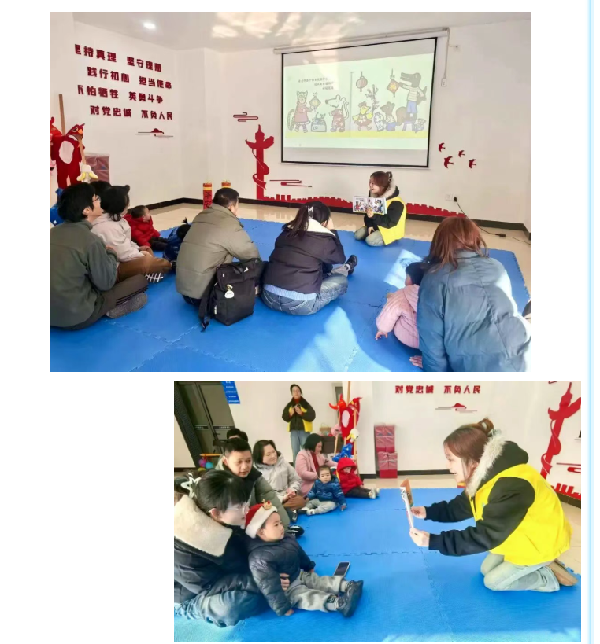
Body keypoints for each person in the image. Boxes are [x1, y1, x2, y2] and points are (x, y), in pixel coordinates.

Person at [408, 419, 576, 592]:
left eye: (451, 459)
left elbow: (485, 536)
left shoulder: (511, 486)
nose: (447, 466)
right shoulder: (485, 475)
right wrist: (428, 512)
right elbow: (462, 506)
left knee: (493, 582)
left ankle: (547, 578)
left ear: (473, 461)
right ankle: (538, 565)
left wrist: (434, 541)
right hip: (516, 534)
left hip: (540, 543)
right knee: (486, 569)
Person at [174, 470, 291, 626]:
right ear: (216, 513)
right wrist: (262, 582)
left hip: (228, 574)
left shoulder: (227, 515)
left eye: (245, 502)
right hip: (194, 592)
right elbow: (208, 585)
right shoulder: (183, 542)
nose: (246, 509)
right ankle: (187, 609)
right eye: (239, 506)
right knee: (233, 606)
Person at [416, 218, 531, 372]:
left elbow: (431, 335)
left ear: (439, 242)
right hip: (527, 351)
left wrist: (433, 370)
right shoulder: (497, 266)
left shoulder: (434, 279)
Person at [50, 183, 148, 329]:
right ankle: (107, 310)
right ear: (86, 210)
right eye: (96, 199)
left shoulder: (52, 233)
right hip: (78, 317)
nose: (100, 201)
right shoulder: (91, 240)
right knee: (140, 281)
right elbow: (106, 283)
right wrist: (111, 254)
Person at [245, 501, 363, 617]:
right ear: (260, 531)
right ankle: (338, 604)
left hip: (298, 573)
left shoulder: (286, 538)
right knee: (307, 597)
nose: (281, 527)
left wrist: (308, 566)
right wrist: (282, 608)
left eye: (280, 523)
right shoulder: (259, 557)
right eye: (276, 525)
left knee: (319, 581)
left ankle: (347, 585)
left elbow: (299, 552)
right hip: (287, 588)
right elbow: (269, 587)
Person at [262, 201, 358, 316]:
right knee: (341, 281)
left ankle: (331, 273)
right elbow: (340, 258)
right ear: (324, 222)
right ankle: (342, 271)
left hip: (268, 296)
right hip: (301, 303)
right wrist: (332, 231)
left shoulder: (285, 232)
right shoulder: (323, 239)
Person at [176, 187, 261, 307]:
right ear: (231, 207)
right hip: (207, 296)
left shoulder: (200, 216)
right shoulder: (229, 224)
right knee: (254, 263)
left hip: (184, 291)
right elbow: (251, 254)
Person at [91, 185, 172, 282]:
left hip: (123, 257)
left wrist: (139, 250)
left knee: (146, 248)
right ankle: (168, 266)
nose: (129, 205)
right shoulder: (107, 226)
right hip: (114, 267)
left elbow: (126, 242)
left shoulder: (118, 219)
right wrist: (140, 254)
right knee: (154, 262)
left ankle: (149, 272)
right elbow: (122, 254)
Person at [215, 439, 291, 530]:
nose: (245, 467)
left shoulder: (255, 476)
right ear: (226, 462)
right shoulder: (215, 484)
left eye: (248, 461)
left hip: (252, 527)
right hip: (227, 531)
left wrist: (284, 528)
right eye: (239, 462)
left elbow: (271, 499)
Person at [375, 262, 426, 349]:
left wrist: (382, 329)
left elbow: (389, 313)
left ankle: (392, 298)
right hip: (429, 344)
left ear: (410, 280)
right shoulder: (435, 295)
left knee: (395, 304)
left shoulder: (403, 293)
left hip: (408, 337)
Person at [253, 440, 306, 518]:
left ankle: (281, 512)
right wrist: (282, 498)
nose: (273, 456)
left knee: (300, 500)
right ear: (260, 457)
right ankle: (285, 512)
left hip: (288, 497)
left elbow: (296, 479)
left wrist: (292, 490)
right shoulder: (257, 472)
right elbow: (262, 495)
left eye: (273, 452)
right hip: (271, 500)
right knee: (267, 507)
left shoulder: (282, 462)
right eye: (268, 454)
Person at [354, 171, 407, 246]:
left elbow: (389, 222)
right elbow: (367, 216)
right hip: (376, 226)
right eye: (370, 182)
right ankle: (373, 233)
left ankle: (383, 237)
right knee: (357, 235)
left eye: (373, 183)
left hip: (389, 230)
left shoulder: (397, 203)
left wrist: (373, 216)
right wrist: (370, 225)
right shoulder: (374, 197)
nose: (370, 185)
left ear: (382, 185)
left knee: (370, 241)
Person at [283, 384, 317, 460]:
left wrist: (302, 413)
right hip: (293, 432)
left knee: (307, 452)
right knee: (295, 453)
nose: (296, 392)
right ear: (291, 393)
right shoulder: (289, 405)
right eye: (294, 391)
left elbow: (312, 416)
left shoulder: (306, 404)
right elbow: (284, 417)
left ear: (300, 392)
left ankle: (308, 467)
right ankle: (296, 468)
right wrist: (290, 414)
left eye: (297, 391)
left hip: (304, 432)